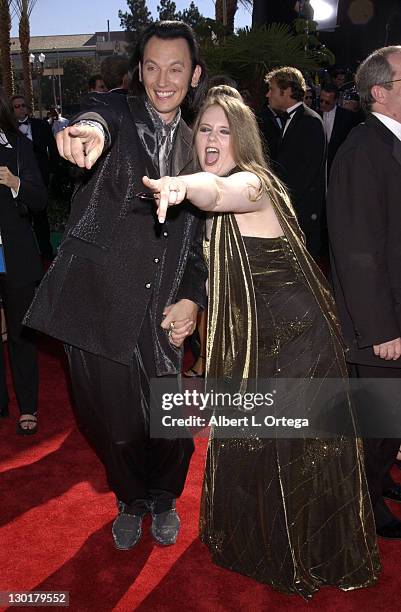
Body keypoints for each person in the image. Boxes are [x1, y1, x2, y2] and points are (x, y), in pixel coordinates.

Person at [143, 86, 380, 598]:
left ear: (243, 139)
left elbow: (216, 191)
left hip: (298, 337)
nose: (211, 139)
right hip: (258, 334)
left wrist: (181, 186)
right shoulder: (226, 182)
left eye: (224, 132)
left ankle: (307, 550)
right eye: (204, 129)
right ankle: (269, 536)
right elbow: (208, 265)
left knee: (296, 448)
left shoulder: (253, 184)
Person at [24, 21, 208, 548]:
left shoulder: (203, 144)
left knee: (168, 415)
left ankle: (165, 496)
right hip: (100, 299)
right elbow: (95, 120)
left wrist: (193, 296)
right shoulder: (119, 116)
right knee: (114, 421)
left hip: (167, 302)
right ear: (139, 72)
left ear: (194, 75)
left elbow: (204, 238)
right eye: (152, 68)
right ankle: (130, 498)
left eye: (176, 68)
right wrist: (86, 132)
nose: (163, 80)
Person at [327, 46, 401, 539]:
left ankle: (376, 483)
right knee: (379, 425)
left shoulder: (387, 143)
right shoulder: (361, 150)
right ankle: (363, 506)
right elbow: (357, 251)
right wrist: (381, 329)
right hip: (380, 323)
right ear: (381, 91)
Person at [0, 88, 46, 432]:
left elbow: (40, 199)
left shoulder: (18, 146)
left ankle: (28, 406)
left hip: (14, 256)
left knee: (20, 335)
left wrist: (16, 182)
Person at [264, 67, 326, 259]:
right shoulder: (295, 119)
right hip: (292, 214)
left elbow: (305, 175)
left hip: (302, 218)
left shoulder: (310, 122)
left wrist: (281, 205)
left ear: (287, 91)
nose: (268, 94)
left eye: (272, 89)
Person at [11, 94, 59, 260]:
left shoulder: (41, 126)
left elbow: (53, 150)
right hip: (18, 182)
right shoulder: (8, 130)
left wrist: (52, 172)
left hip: (40, 180)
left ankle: (47, 254)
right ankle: (27, 257)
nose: (21, 108)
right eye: (17, 106)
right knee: (22, 221)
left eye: (23, 105)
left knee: (41, 219)